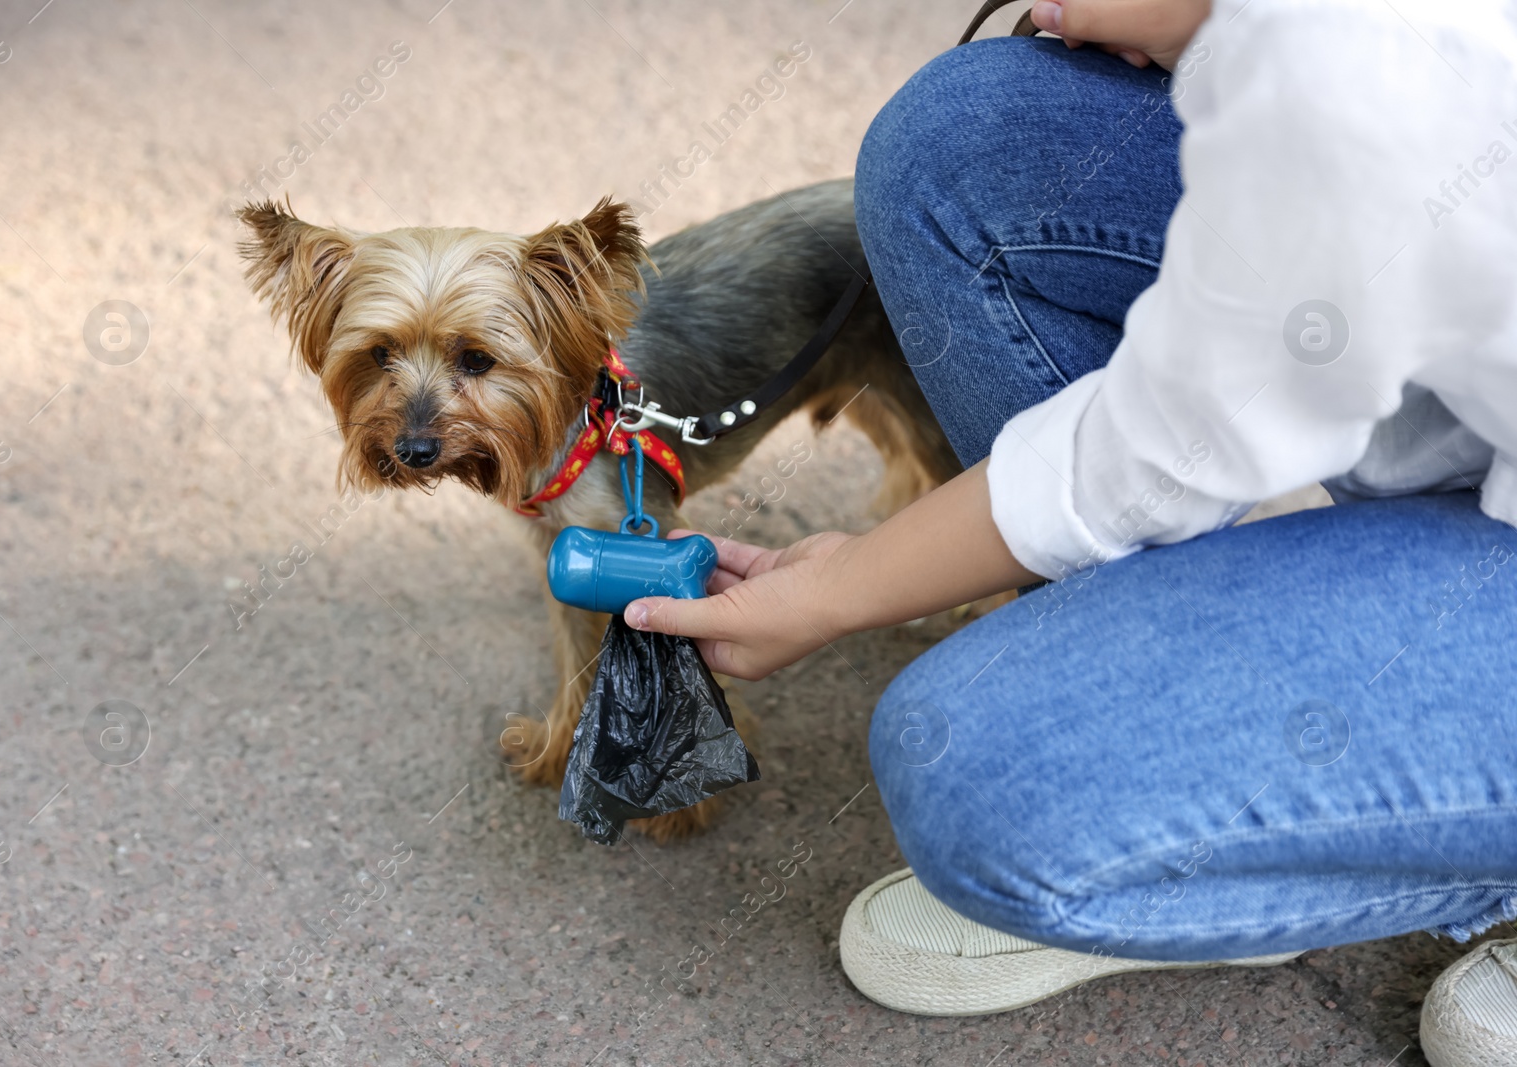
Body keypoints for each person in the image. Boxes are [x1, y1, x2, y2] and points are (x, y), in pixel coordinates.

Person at [624, 0, 1517, 1062]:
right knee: (959, 147)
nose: (1040, 11)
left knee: (970, 777)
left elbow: (1150, 456)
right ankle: (1199, 772)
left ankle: (1229, 815)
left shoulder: (1344, 63)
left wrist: (835, 586)